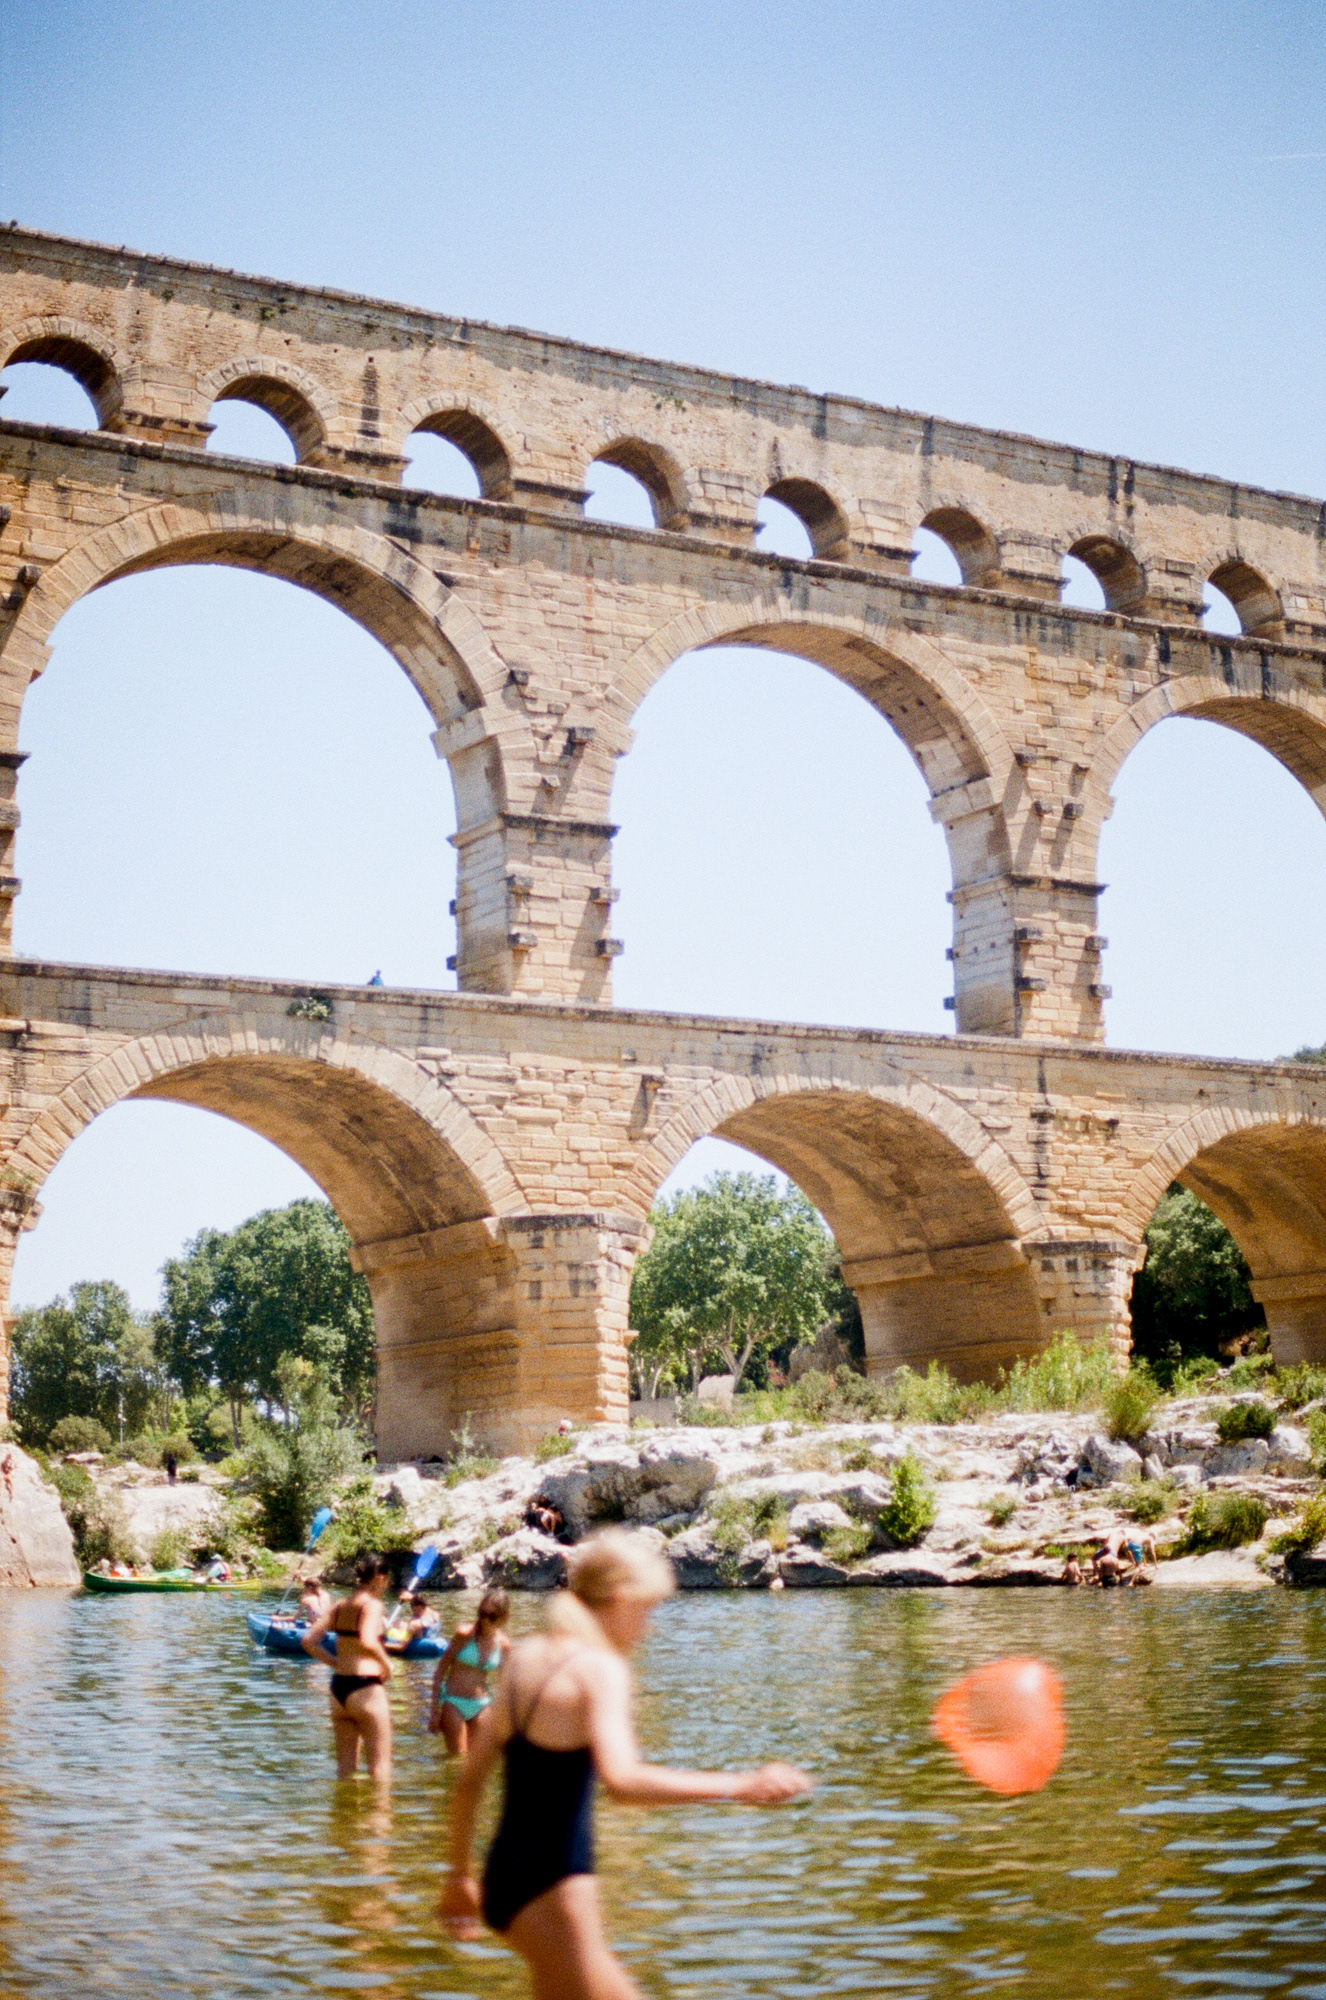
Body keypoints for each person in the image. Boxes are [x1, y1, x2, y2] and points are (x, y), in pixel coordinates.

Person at [439, 1529, 811, 1996]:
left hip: (505, 1880)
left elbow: (469, 1780)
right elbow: (623, 1782)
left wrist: (459, 1876)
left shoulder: (526, 1656)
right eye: (647, 1610)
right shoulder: (599, 1669)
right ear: (618, 1598)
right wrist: (740, 1786)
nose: (648, 1628)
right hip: (557, 1889)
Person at [302, 1552, 394, 1781]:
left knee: (345, 1770)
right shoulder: (372, 1605)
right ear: (380, 1578)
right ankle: (380, 1806)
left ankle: (345, 1805)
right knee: (380, 1770)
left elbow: (308, 1641)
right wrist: (387, 1664)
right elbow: (368, 1640)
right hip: (365, 1688)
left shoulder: (340, 1605)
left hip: (338, 1688)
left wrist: (335, 1663)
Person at [428, 1589, 512, 1755]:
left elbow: (505, 1684)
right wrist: (434, 1710)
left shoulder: (504, 1644)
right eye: (481, 1614)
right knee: (458, 1757)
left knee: (478, 1757)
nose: (484, 1620)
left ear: (503, 1617)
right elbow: (440, 1671)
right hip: (453, 1702)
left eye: (491, 1616)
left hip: (482, 1704)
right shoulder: (464, 1635)